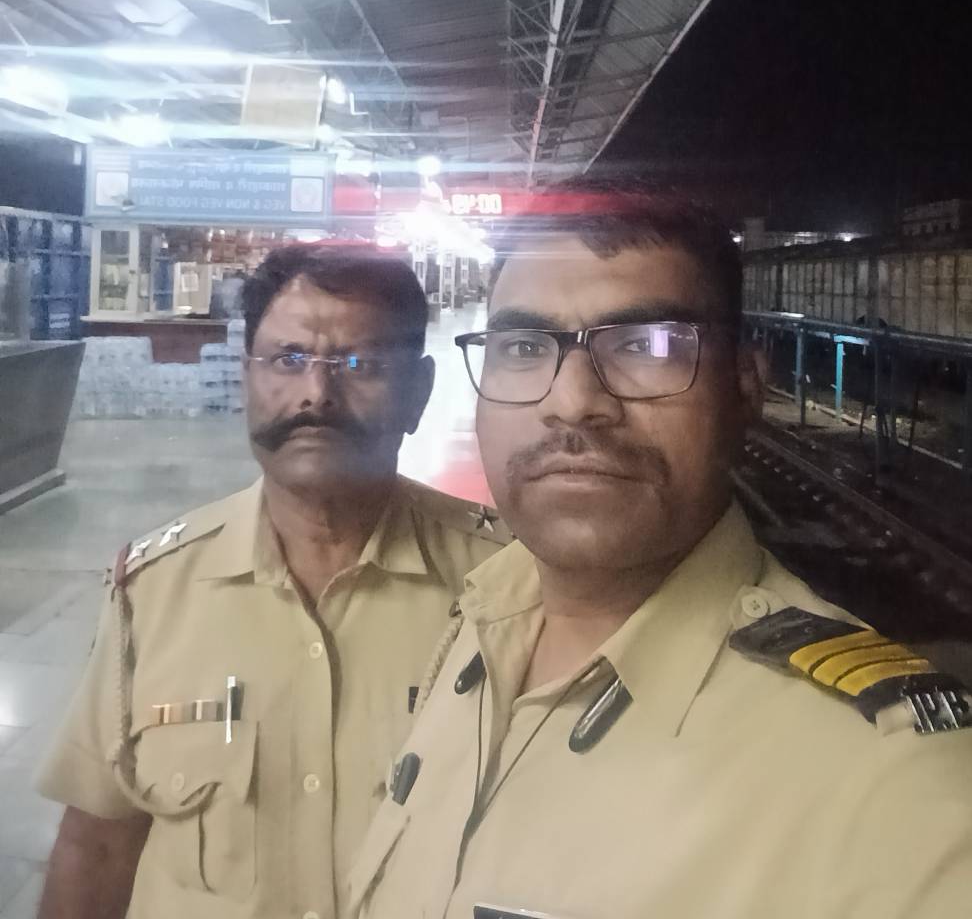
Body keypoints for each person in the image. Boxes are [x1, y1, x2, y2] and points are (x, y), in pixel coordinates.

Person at [348, 181, 972, 919]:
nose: (573, 401)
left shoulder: (899, 796)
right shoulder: (474, 626)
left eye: (647, 345)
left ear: (744, 387)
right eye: (523, 347)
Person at [35, 245, 506, 919]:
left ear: (419, 391)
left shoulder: (504, 589)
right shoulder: (155, 590)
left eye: (361, 364)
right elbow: (97, 846)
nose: (317, 393)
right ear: (247, 379)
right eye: (288, 360)